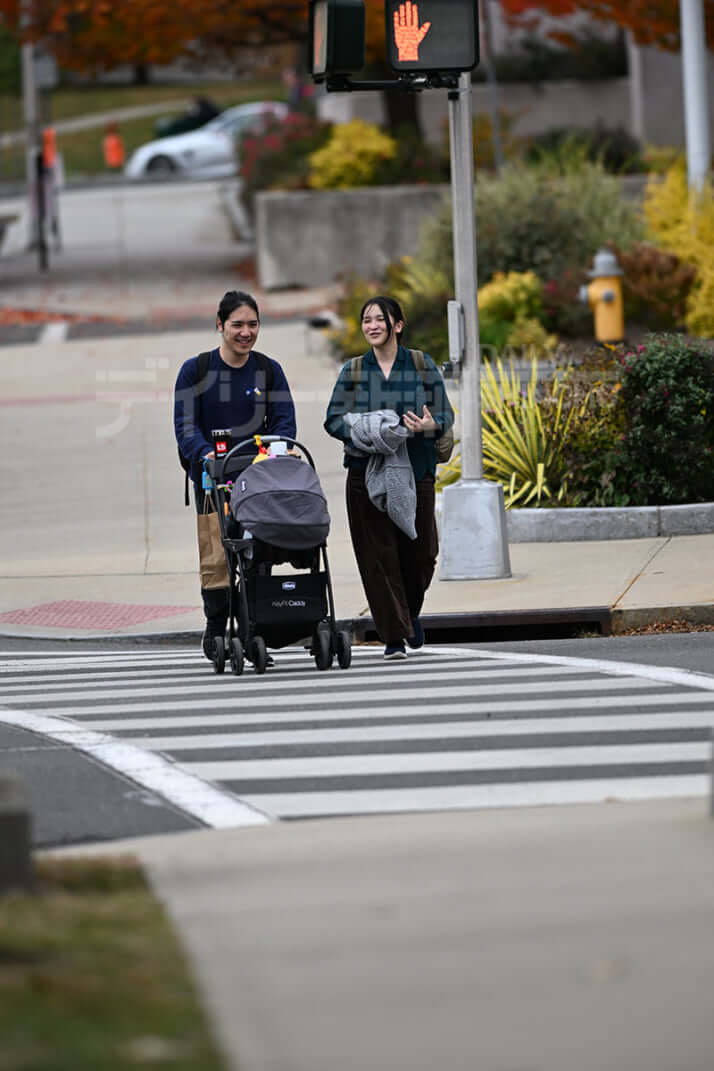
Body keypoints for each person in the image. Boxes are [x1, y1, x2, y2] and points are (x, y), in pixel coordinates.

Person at [324, 295, 454, 661]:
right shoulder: (353, 371)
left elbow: (444, 413)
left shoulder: (420, 364)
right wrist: (364, 430)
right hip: (365, 473)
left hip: (417, 471)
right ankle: (395, 635)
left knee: (422, 553)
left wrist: (431, 425)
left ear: (397, 325)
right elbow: (333, 420)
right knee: (378, 557)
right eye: (366, 320)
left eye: (380, 319)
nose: (372, 326)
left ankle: (408, 614)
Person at [174, 290, 297, 660]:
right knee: (218, 555)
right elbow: (185, 426)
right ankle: (216, 627)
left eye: (253, 324)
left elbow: (284, 421)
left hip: (260, 481)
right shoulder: (195, 370)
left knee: (259, 554)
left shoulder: (268, 370)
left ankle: (254, 628)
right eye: (237, 325)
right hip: (213, 480)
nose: (246, 332)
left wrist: (280, 447)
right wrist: (204, 454)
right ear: (220, 325)